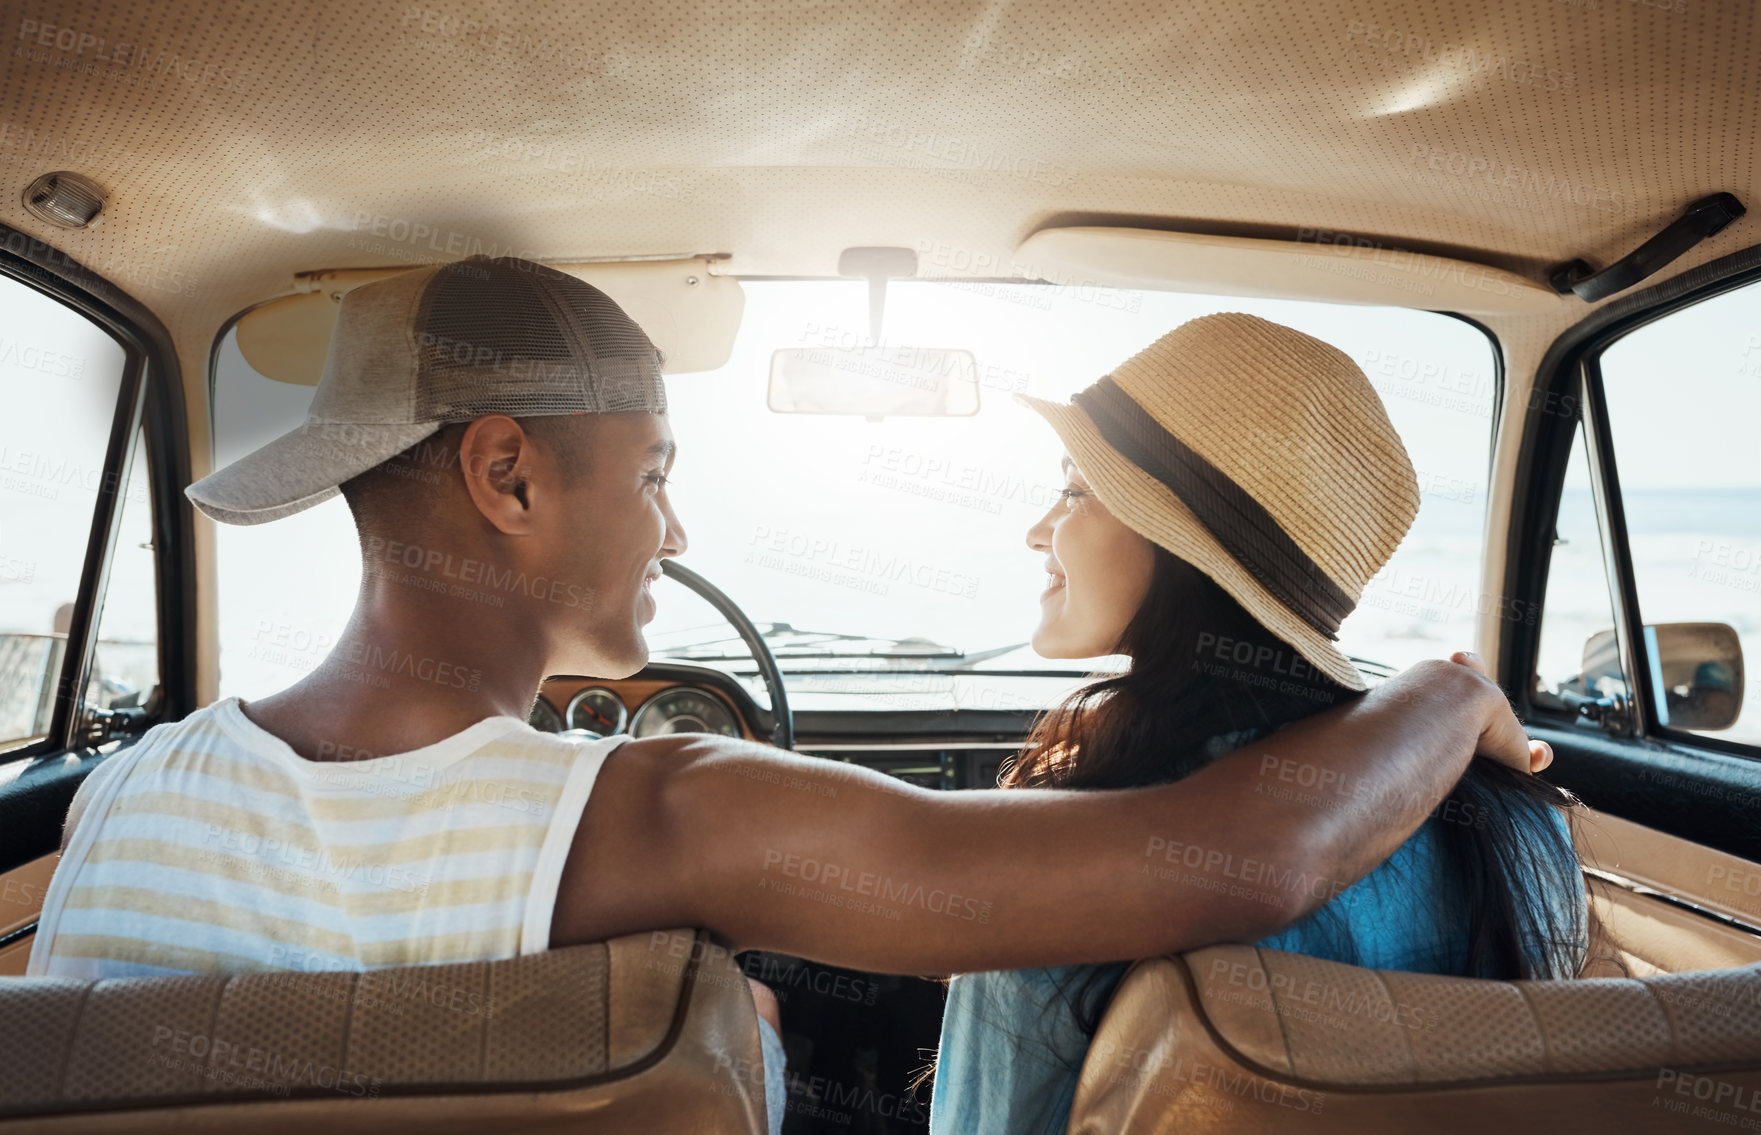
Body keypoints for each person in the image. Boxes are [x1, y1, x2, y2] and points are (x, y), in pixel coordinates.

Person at [27, 258, 1549, 1135]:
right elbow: (1246, 853)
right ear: (507, 473)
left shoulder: (114, 801)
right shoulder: (662, 808)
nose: (676, 532)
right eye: (657, 475)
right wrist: (1444, 689)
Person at [928, 313, 1589, 1134]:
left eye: (1074, 491)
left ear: (1182, 545)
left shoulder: (1077, 863)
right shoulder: (1520, 823)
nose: (1037, 529)